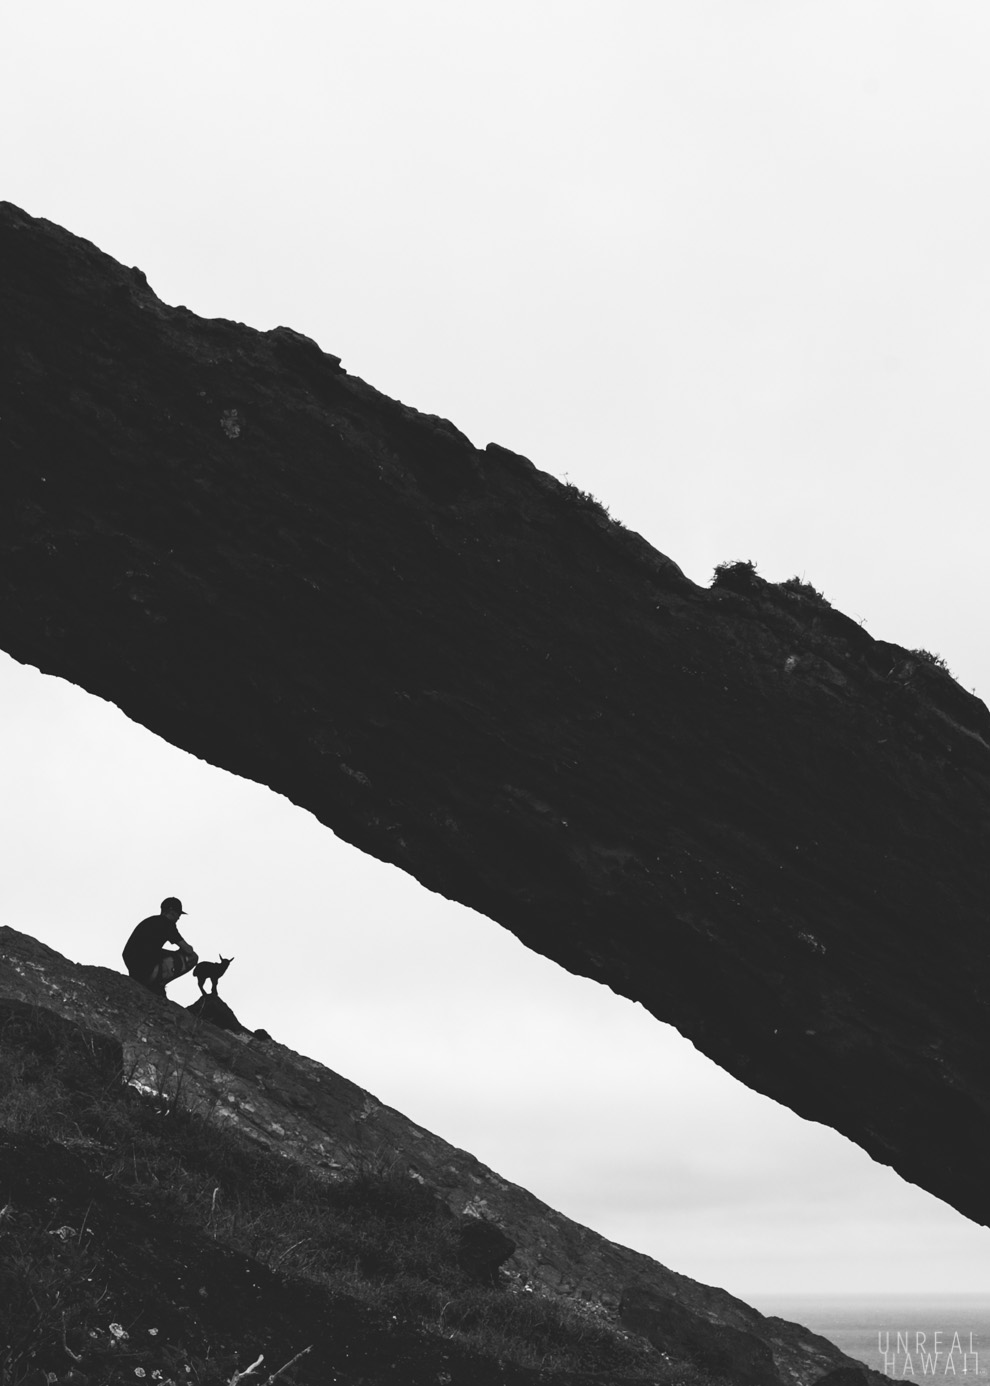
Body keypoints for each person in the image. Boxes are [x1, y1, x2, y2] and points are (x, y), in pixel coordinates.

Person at [123, 897, 198, 996]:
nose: (179, 917)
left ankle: (150, 981)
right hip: (148, 973)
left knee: (162, 954)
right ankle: (158, 984)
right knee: (193, 957)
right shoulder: (168, 924)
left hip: (135, 972)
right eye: (178, 914)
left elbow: (133, 951)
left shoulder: (149, 921)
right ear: (171, 912)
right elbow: (188, 950)